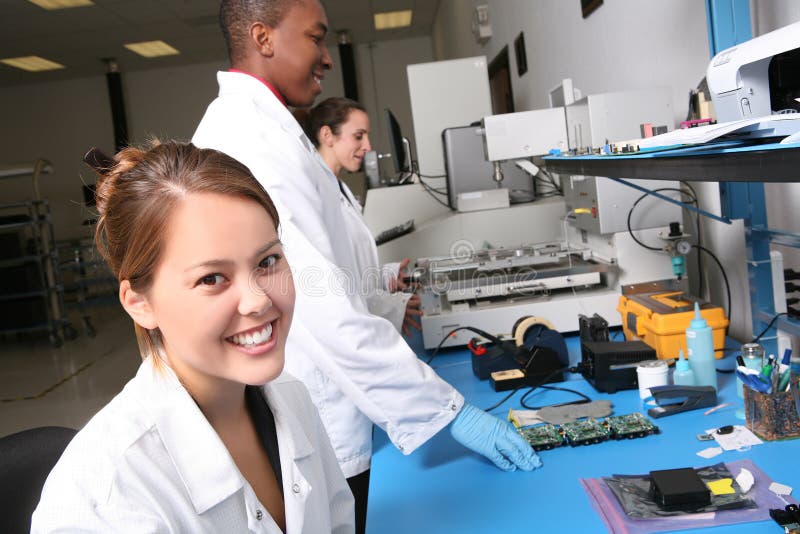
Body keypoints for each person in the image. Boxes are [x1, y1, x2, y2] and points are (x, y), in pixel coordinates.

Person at [193, 1, 541, 531]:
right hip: (309, 412)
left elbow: (332, 275)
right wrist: (447, 409)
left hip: (326, 402)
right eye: (316, 38)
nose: (327, 58)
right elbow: (316, 299)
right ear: (263, 37)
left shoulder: (275, 132)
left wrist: (392, 304)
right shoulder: (250, 141)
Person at [31, 142, 354, 533]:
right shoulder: (106, 498)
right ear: (139, 303)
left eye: (268, 261)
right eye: (211, 278)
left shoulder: (292, 399)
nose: (256, 301)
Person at [299, 96, 421, 336]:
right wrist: (394, 308)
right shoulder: (316, 197)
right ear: (327, 136)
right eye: (359, 136)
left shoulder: (339, 189)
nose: (368, 146)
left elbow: (354, 265)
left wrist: (387, 275)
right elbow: (338, 287)